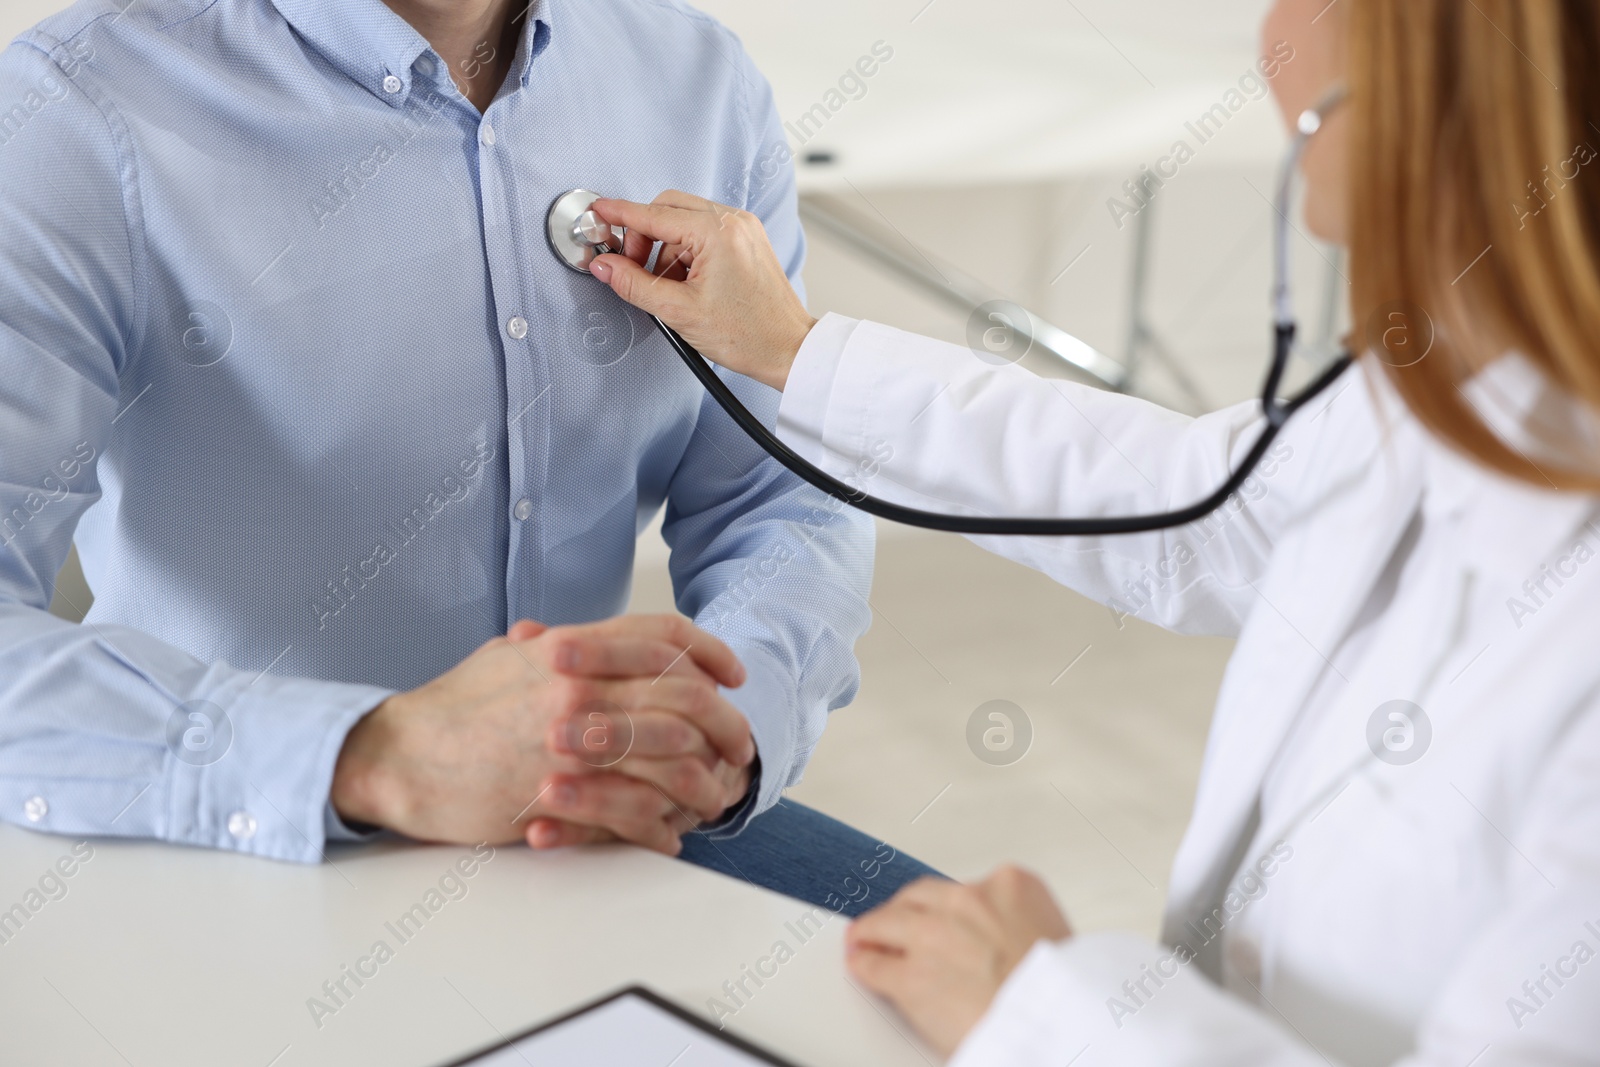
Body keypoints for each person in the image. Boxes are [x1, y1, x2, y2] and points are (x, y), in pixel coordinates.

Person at [585, 0, 1600, 1062]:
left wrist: (1045, 1017)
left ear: (1419, 74)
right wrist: (799, 351)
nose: (1267, 31)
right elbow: (1201, 509)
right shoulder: (1458, 387)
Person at [0, 0, 938, 916]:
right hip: (250, 840)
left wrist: (722, 728)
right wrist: (378, 753)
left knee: (1023, 1011)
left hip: (591, 819)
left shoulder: (700, 82)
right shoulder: (75, 108)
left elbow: (783, 497)